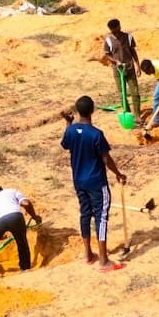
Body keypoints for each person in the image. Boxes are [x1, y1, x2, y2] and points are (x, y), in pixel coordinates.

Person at [60, 96, 127, 272]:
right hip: (97, 182)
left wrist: (68, 123)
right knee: (101, 217)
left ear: (77, 111)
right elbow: (106, 159)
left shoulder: (71, 130)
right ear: (93, 110)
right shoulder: (96, 134)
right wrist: (118, 174)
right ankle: (104, 261)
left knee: (85, 214)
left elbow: (66, 145)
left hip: (79, 181)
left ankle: (88, 254)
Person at [0, 185, 42, 279]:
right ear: (2, 191)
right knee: (22, 242)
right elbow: (26, 203)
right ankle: (25, 268)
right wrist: (35, 217)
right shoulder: (11, 191)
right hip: (15, 217)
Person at [104, 19, 142, 119]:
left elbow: (133, 51)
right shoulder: (108, 41)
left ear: (119, 27)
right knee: (122, 94)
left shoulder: (128, 37)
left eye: (115, 29)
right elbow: (107, 55)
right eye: (112, 30)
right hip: (118, 71)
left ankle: (137, 115)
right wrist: (116, 61)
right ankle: (128, 114)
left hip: (130, 69)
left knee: (135, 92)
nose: (114, 32)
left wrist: (137, 65)